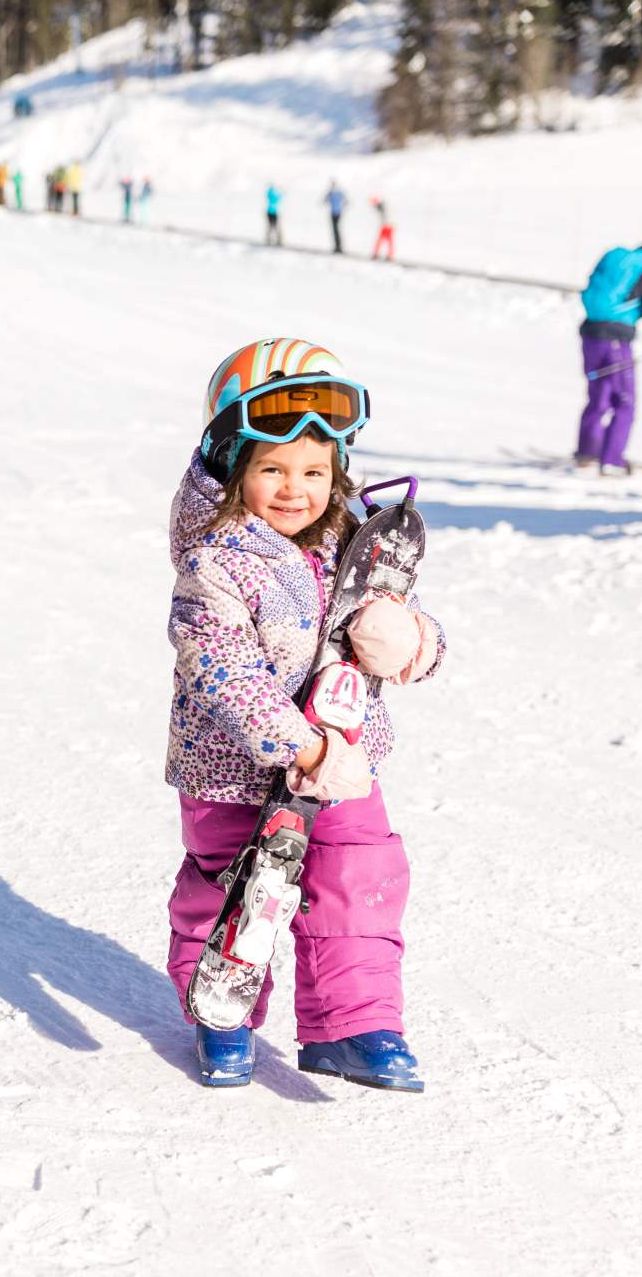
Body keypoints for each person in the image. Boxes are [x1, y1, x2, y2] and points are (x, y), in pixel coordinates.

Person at [165, 337, 446, 1091]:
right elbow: (222, 670)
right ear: (232, 468)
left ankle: (355, 1027)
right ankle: (222, 1016)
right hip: (236, 771)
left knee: (362, 875)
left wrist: (409, 641)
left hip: (347, 764)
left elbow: (412, 626)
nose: (297, 490)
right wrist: (301, 747)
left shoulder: (353, 545)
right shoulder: (215, 562)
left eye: (315, 471)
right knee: (236, 889)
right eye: (273, 470)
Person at [576, 244, 642, 476]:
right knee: (624, 401)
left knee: (598, 397)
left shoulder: (631, 260)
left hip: (591, 334)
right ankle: (611, 460)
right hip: (616, 340)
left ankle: (587, 453)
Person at [369, 196, 395, 261]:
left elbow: (383, 213)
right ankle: (387, 255)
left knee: (382, 241)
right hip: (388, 226)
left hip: (386, 226)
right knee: (385, 242)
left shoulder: (381, 206)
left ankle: (381, 254)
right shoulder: (382, 206)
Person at [325, 180, 347, 254]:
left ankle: (338, 247)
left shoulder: (333, 193)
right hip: (335, 213)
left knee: (336, 230)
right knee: (336, 230)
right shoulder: (336, 193)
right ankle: (337, 246)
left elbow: (324, 200)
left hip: (336, 213)